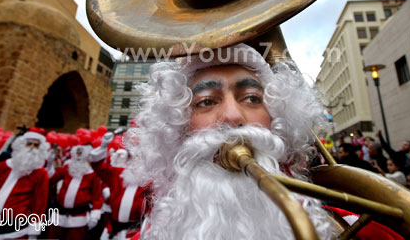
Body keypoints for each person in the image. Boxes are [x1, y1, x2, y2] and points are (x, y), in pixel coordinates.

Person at [123, 44, 336, 239]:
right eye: (206, 101)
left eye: (252, 98)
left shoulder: (354, 228)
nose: (232, 116)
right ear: (178, 129)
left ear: (277, 119)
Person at [89, 137, 152, 240]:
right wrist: (103, 147)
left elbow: (153, 214)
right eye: (131, 157)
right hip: (112, 231)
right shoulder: (118, 174)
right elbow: (98, 166)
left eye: (140, 157)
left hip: (134, 234)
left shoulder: (149, 183)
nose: (135, 161)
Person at [47, 144, 103, 240]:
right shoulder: (67, 169)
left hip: (78, 218)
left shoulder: (92, 174)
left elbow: (97, 196)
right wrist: (49, 163)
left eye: (81, 153)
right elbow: (51, 179)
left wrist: (94, 216)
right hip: (58, 215)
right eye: (77, 153)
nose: (78, 156)